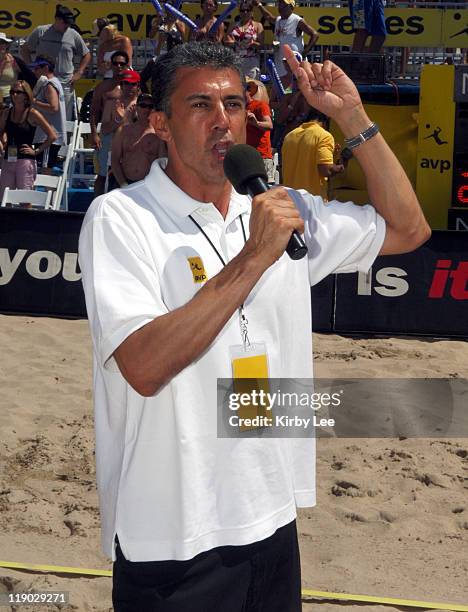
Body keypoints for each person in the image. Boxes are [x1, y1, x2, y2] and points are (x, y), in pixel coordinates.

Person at [78, 41, 430, 611]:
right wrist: (252, 259)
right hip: (172, 538)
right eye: (200, 106)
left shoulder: (277, 207)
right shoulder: (122, 218)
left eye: (235, 105)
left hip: (270, 519)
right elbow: (142, 367)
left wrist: (352, 117)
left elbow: (409, 230)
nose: (223, 122)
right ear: (160, 123)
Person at [20, 4, 91, 120]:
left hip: (65, 83)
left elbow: (86, 54)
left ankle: (64, 138)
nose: (68, 26)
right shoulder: (40, 31)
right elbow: (25, 49)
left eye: (69, 23)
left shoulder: (73, 34)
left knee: (64, 118)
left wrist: (79, 72)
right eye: (65, 23)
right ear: (57, 19)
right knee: (40, 117)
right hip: (43, 82)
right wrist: (32, 68)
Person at [0, 80, 56, 201]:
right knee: (4, 199)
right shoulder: (6, 113)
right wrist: (2, 147)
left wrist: (36, 151)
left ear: (26, 95)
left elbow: (52, 135)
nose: (14, 95)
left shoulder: (32, 113)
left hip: (25, 160)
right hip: (8, 158)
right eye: (12, 92)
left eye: (18, 92)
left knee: (25, 199)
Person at [90, 52, 131, 196]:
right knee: (102, 174)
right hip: (107, 134)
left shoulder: (134, 85)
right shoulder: (103, 87)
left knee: (125, 172)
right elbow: (94, 111)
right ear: (111, 65)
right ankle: (96, 204)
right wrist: (94, 133)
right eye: (115, 63)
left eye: (122, 63)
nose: (119, 66)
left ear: (127, 64)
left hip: (127, 134)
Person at [282, 108, 345, 200]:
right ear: (326, 119)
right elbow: (326, 170)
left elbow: (302, 161)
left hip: (290, 199)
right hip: (312, 203)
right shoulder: (324, 136)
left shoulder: (290, 135)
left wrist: (332, 155)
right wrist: (342, 165)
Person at [254, 0, 319, 80]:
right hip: (280, 63)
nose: (280, 7)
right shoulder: (278, 20)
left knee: (297, 88)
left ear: (291, 7)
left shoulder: (297, 20)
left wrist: (305, 52)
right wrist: (259, 5)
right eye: (279, 4)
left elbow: (315, 34)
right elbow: (268, 17)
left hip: (295, 63)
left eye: (283, 4)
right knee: (283, 90)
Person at [111, 93, 166, 186]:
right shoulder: (123, 131)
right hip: (123, 182)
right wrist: (123, 184)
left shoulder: (159, 135)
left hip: (147, 186)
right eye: (143, 105)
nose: (147, 109)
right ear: (136, 107)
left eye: (150, 106)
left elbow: (162, 163)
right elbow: (115, 160)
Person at [29, 55, 66, 171]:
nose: (34, 71)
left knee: (45, 170)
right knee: (45, 168)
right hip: (49, 135)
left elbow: (53, 108)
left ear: (45, 68)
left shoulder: (50, 85)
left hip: (48, 136)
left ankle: (47, 189)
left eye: (37, 68)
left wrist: (34, 101)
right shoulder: (54, 82)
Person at [225, 1, 264, 79]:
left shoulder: (257, 25)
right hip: (236, 60)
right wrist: (233, 43)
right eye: (242, 10)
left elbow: (261, 45)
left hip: (251, 62)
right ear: (239, 12)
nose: (245, 12)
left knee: (252, 88)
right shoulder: (233, 25)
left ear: (252, 12)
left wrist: (252, 43)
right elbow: (226, 41)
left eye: (248, 10)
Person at [245, 78, 274, 182]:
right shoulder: (238, 108)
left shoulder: (260, 105)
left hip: (261, 156)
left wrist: (256, 123)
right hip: (246, 156)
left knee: (265, 189)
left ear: (248, 91)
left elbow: (269, 125)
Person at [0, 33, 20, 108]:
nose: (1, 45)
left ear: (7, 45)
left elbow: (24, 75)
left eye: (3, 43)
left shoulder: (14, 60)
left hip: (10, 97)